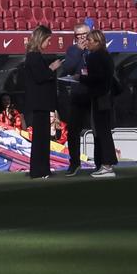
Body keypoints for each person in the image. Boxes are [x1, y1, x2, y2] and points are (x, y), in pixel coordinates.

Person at [18, 25, 58, 180]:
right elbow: (40, 77)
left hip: (40, 103)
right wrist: (52, 68)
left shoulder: (34, 56)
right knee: (40, 139)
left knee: (42, 138)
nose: (49, 43)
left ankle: (42, 169)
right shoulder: (34, 56)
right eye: (48, 40)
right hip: (39, 102)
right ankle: (40, 170)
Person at [52, 20, 91, 175]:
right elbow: (67, 67)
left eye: (84, 34)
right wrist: (78, 51)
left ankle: (102, 162)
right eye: (78, 35)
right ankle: (74, 163)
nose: (81, 38)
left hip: (93, 94)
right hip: (78, 95)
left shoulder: (95, 49)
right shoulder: (73, 50)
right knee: (73, 131)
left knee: (98, 130)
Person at [79, 29, 119, 179]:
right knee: (104, 131)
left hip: (99, 97)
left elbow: (96, 78)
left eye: (89, 40)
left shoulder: (94, 56)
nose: (87, 43)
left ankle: (107, 165)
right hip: (106, 97)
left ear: (97, 42)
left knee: (102, 132)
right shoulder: (106, 56)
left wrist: (81, 78)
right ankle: (106, 164)